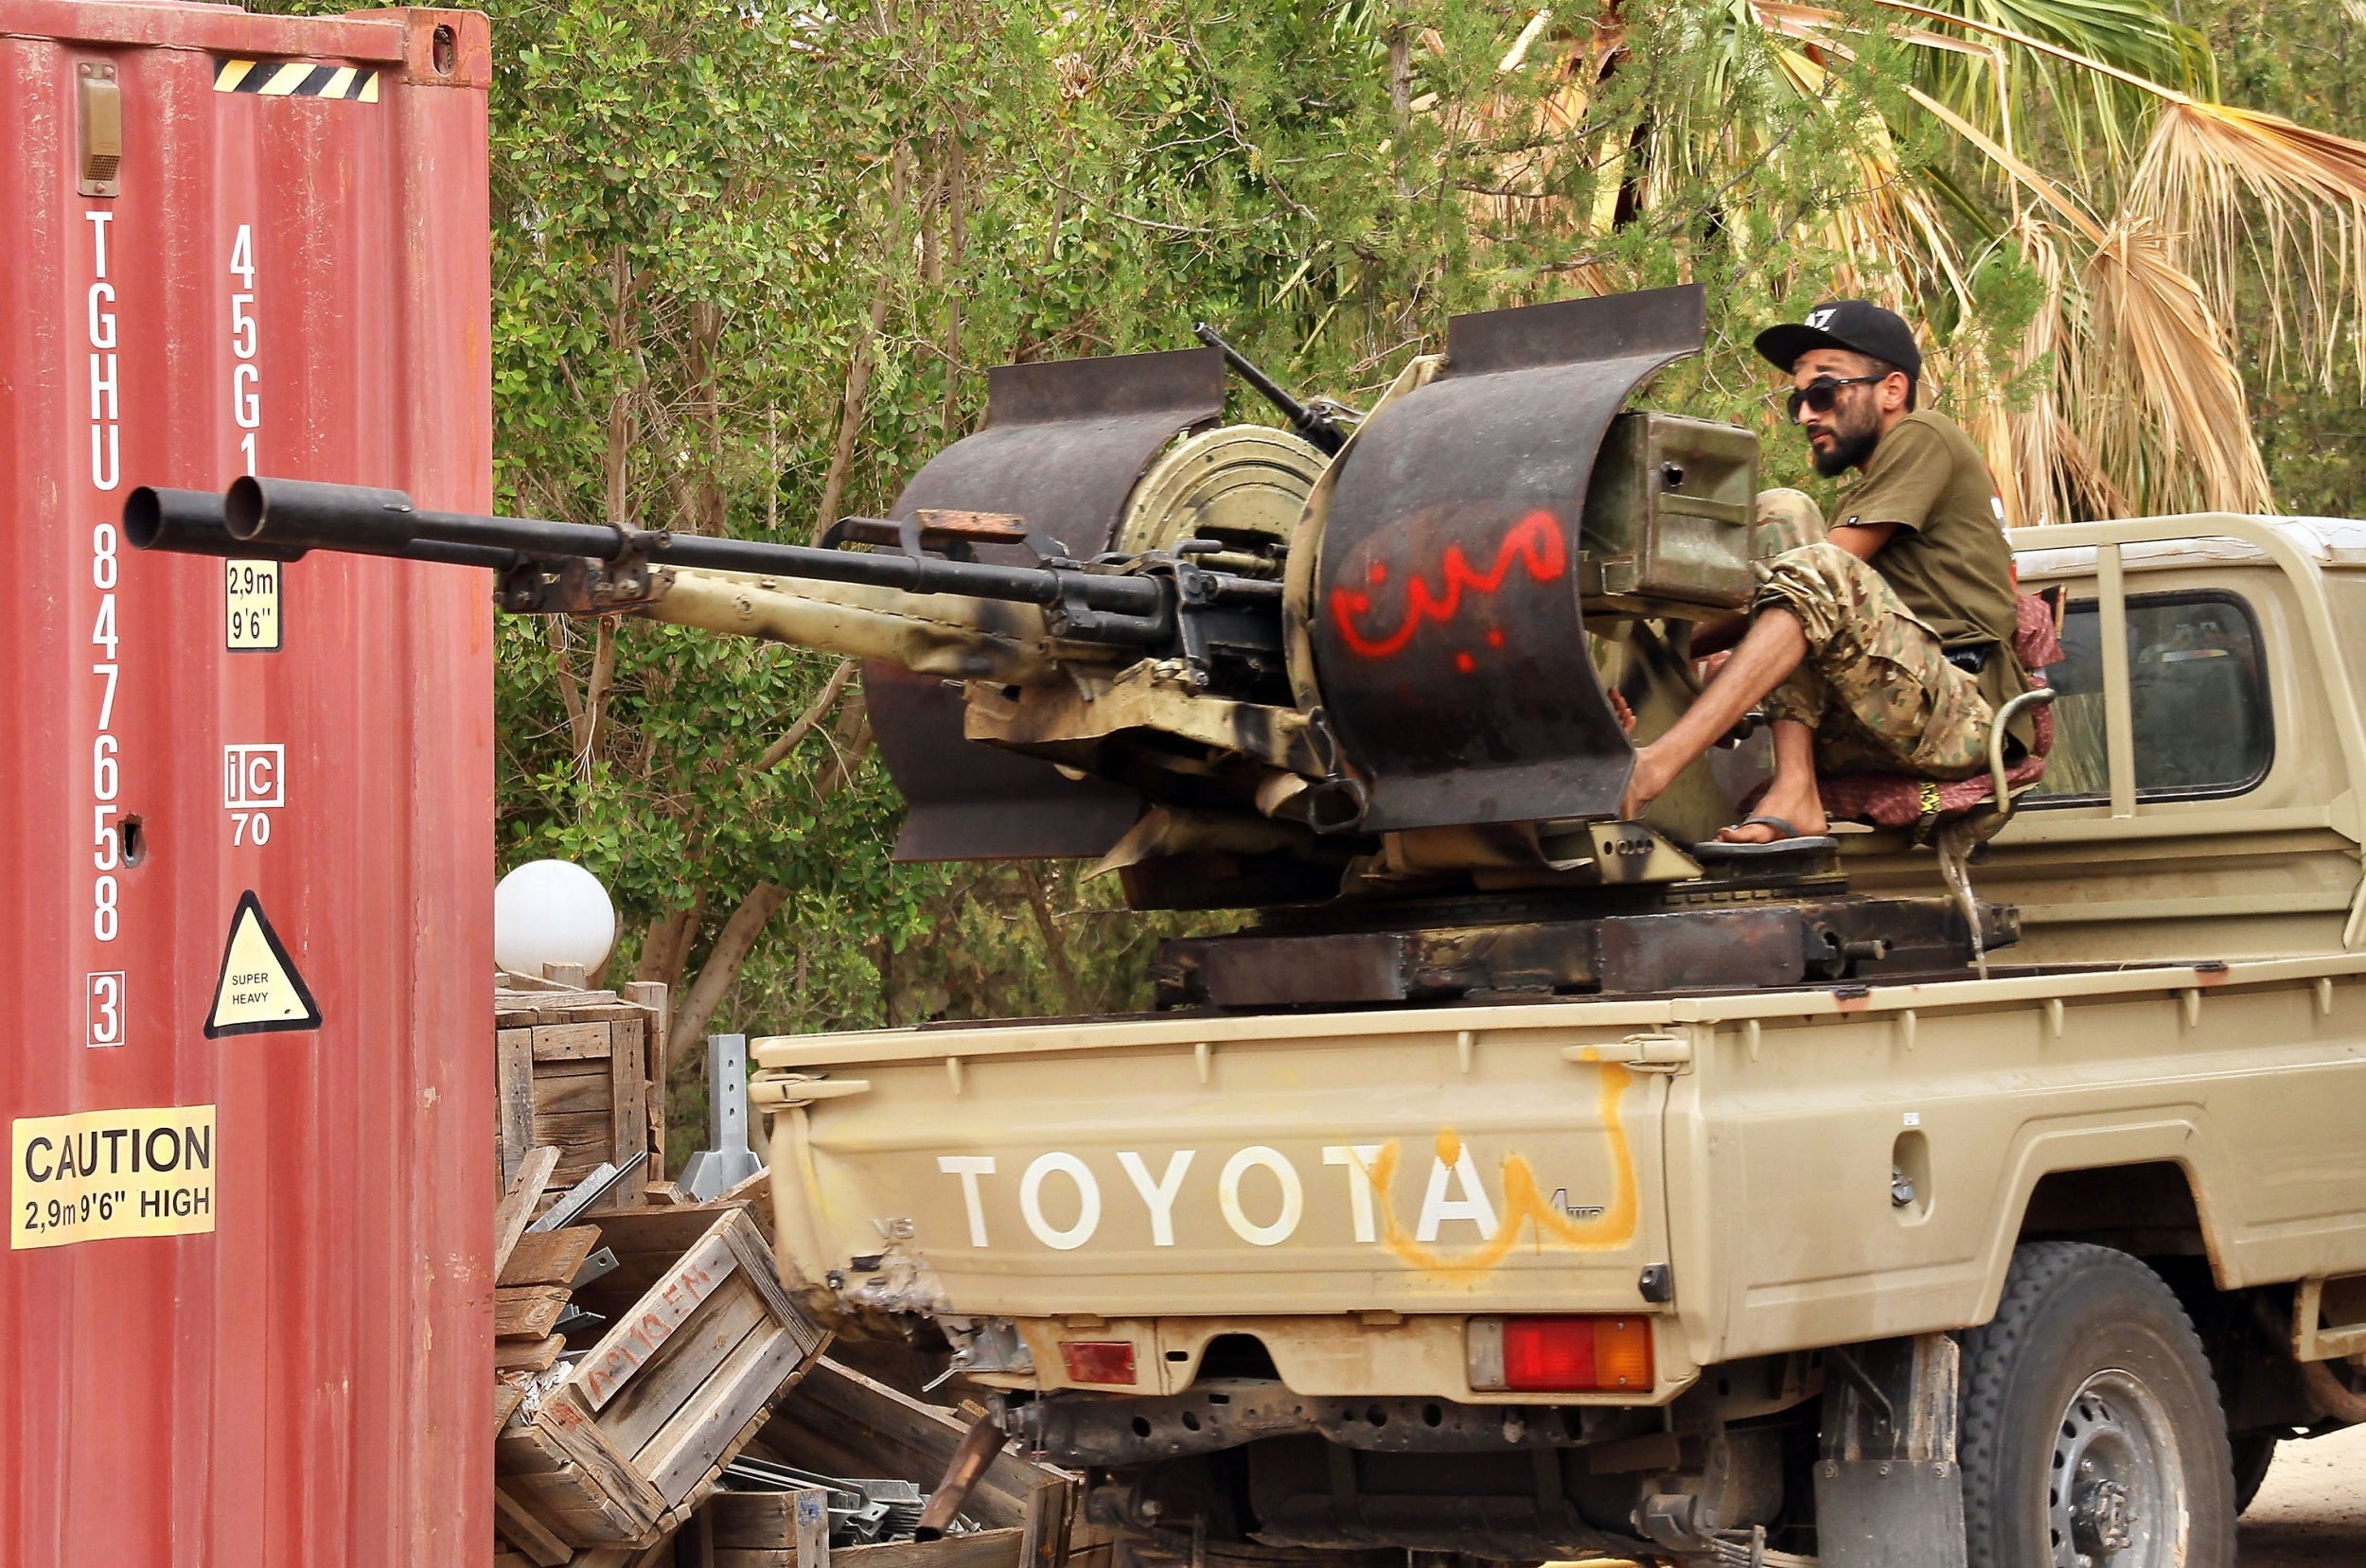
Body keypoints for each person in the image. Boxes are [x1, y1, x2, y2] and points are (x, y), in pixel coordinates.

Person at [1618, 300, 2031, 843]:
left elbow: (1824, 578)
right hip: (1878, 710)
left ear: (1892, 391)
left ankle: (1660, 765)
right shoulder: (1872, 488)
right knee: (1784, 514)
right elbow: (1793, 597)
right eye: (1798, 400)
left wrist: (1695, 656)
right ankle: (1796, 788)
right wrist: (1655, 657)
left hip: (1961, 716)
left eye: (1823, 393)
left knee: (1816, 567)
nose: (1807, 415)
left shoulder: (1925, 435)